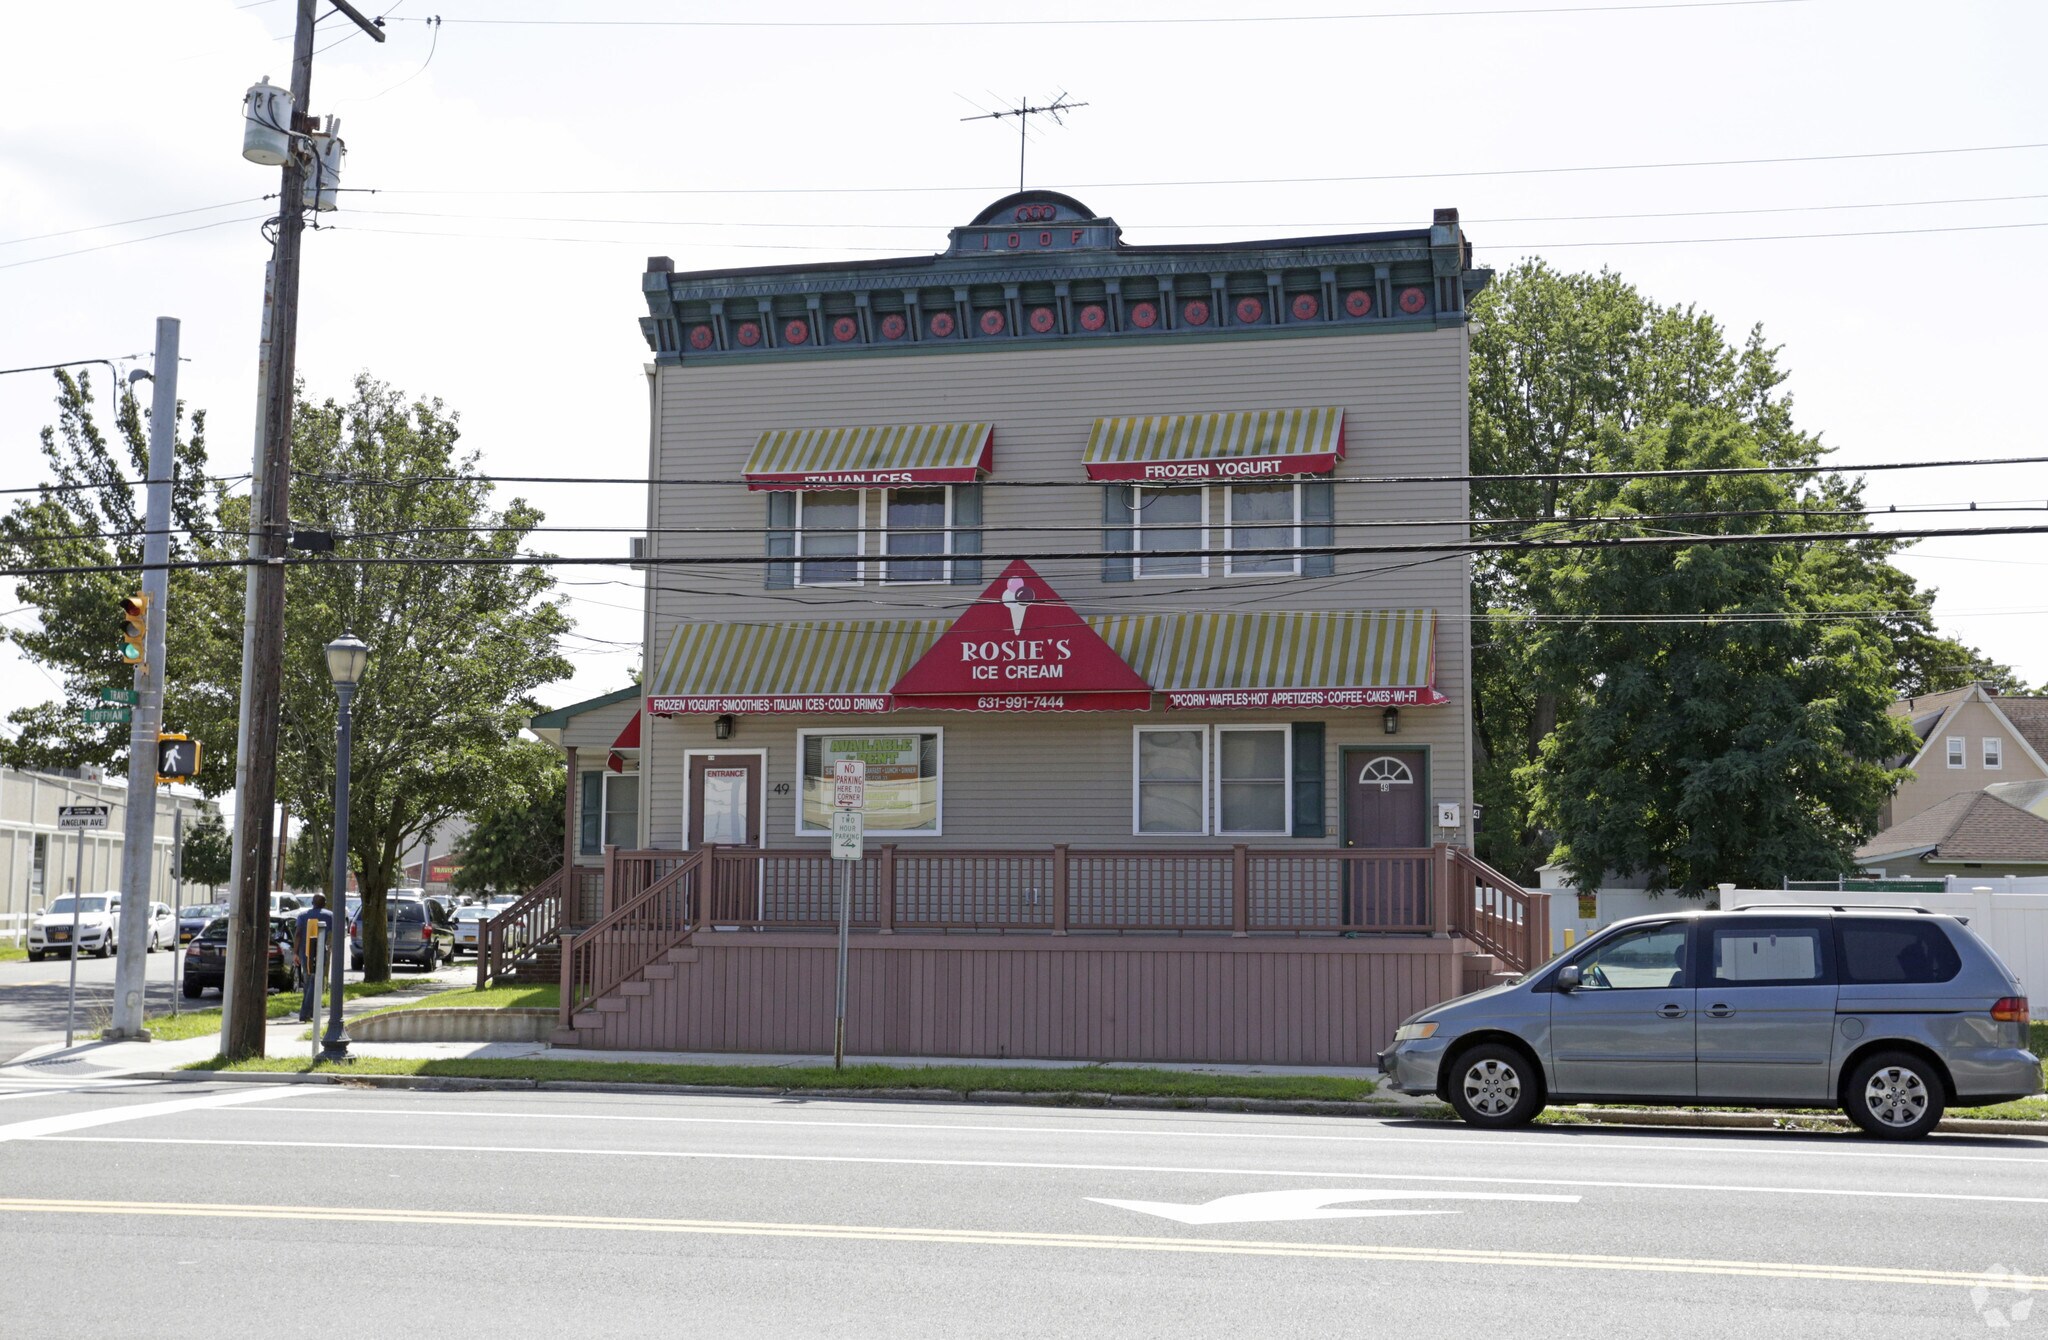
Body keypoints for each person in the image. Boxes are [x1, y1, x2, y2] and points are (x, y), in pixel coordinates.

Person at [293, 894, 335, 1022]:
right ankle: (305, 1013)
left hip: (304, 953)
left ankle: (309, 1012)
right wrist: (330, 946)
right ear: (325, 903)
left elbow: (298, 934)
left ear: (312, 902)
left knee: (308, 982)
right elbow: (336, 933)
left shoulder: (302, 916)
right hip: (320, 952)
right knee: (314, 982)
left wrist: (295, 953)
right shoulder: (329, 916)